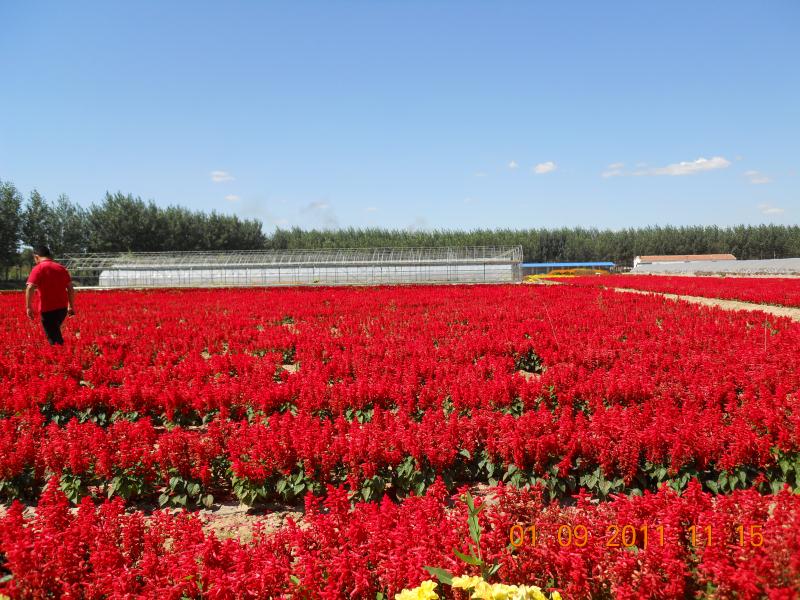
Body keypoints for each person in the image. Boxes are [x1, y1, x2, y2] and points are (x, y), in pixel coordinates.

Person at [25, 246, 75, 345]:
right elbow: (70, 288)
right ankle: (62, 354)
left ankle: (61, 355)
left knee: (54, 338)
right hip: (62, 309)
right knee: (55, 332)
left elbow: (30, 288)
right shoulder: (61, 268)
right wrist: (71, 306)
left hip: (47, 310)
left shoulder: (38, 268)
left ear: (36, 257)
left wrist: (28, 307)